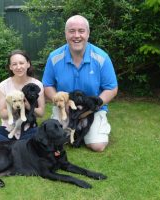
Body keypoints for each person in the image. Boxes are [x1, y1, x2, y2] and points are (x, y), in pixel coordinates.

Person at [42, 15, 118, 152]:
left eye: (81, 31)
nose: (76, 35)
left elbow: (112, 89)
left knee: (98, 146)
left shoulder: (102, 58)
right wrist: (62, 104)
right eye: (72, 31)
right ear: (66, 34)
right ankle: (77, 131)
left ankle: (87, 131)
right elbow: (47, 85)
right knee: (53, 141)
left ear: (88, 34)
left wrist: (92, 108)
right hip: (64, 109)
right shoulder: (54, 57)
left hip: (92, 110)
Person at [0, 50, 45, 145]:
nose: (18, 67)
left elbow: (41, 113)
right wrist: (16, 106)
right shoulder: (3, 86)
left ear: (28, 64)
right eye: (14, 64)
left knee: (40, 132)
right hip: (8, 129)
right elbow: (2, 114)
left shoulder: (37, 85)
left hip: (28, 129)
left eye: (21, 63)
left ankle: (9, 148)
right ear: (10, 67)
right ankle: (18, 147)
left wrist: (26, 105)